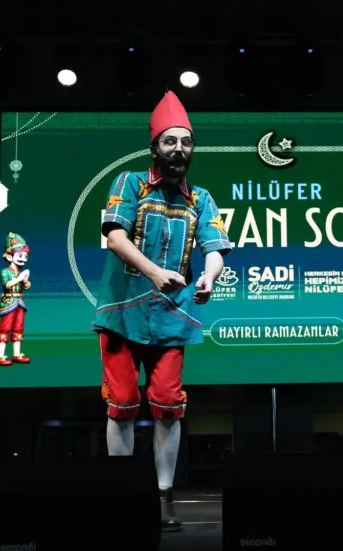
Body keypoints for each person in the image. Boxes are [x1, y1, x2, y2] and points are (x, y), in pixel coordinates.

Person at [91, 91, 234, 532]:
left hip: (173, 313)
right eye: (170, 142)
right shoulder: (129, 183)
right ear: (154, 148)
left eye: (186, 142)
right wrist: (153, 272)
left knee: (169, 405)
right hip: (123, 312)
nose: (179, 149)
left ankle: (163, 496)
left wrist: (209, 276)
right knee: (122, 403)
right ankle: (123, 494)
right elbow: (116, 237)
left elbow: (214, 249)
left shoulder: (200, 199)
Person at [0, 232, 32, 366]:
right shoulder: (5, 272)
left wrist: (25, 281)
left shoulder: (19, 272)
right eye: (20, 256)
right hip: (8, 303)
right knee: (5, 328)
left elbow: (26, 286)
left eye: (25, 256)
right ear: (10, 256)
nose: (24, 259)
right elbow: (6, 285)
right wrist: (20, 278)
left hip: (19, 303)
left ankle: (17, 354)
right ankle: (0, 356)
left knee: (18, 328)